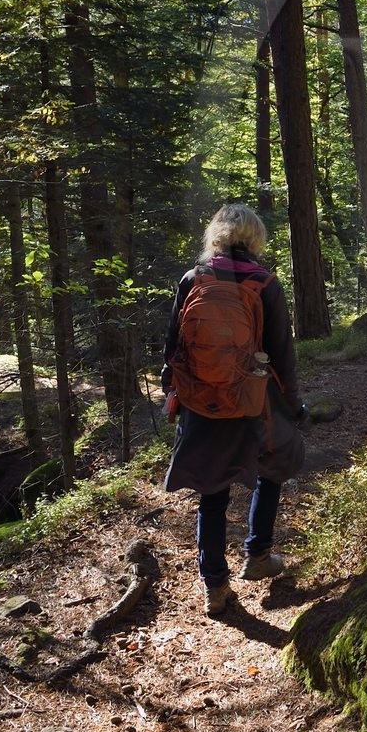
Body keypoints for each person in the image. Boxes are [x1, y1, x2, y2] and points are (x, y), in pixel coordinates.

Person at [161, 203, 306, 617]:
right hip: (251, 399)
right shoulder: (265, 283)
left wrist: (172, 393)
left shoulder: (193, 279)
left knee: (212, 493)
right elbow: (282, 354)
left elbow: (172, 347)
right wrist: (293, 405)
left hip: (201, 401)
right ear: (255, 238)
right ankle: (258, 554)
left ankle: (216, 586)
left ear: (217, 236)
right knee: (272, 466)